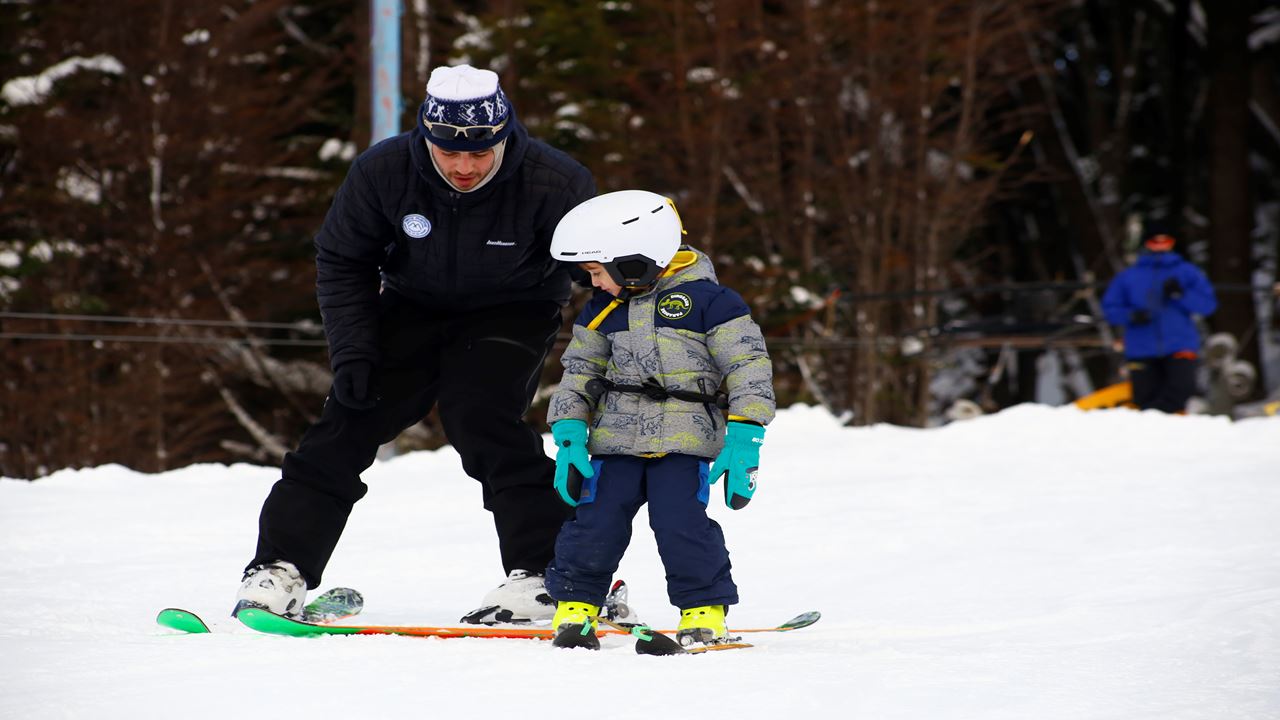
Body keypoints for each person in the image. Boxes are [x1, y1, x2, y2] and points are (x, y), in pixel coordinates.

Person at [235, 64, 595, 623]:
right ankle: (281, 568)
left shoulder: (555, 180)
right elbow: (343, 260)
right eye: (449, 153)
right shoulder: (384, 171)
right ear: (427, 136)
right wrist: (353, 350)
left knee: (481, 417)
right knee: (347, 422)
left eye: (480, 153)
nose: (464, 167)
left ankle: (544, 573)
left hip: (514, 308)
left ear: (504, 136)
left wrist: (621, 351)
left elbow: (595, 273)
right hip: (412, 306)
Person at [537, 190, 776, 650]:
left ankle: (703, 610)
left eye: (597, 272)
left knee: (681, 523)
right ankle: (575, 608)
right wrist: (569, 431)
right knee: (595, 521)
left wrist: (746, 432)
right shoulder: (604, 309)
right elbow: (581, 371)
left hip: (685, 442)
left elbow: (748, 366)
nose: (595, 284)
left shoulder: (714, 303)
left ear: (635, 261)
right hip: (614, 441)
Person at [1101, 219, 1218, 413]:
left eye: (1166, 241)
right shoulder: (1128, 277)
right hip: (1141, 348)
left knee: (1182, 393)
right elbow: (1110, 309)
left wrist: (1181, 295)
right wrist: (1131, 316)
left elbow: (1208, 305)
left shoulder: (1187, 272)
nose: (1161, 246)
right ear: (1146, 243)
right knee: (1144, 399)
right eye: (1156, 241)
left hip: (1180, 345)